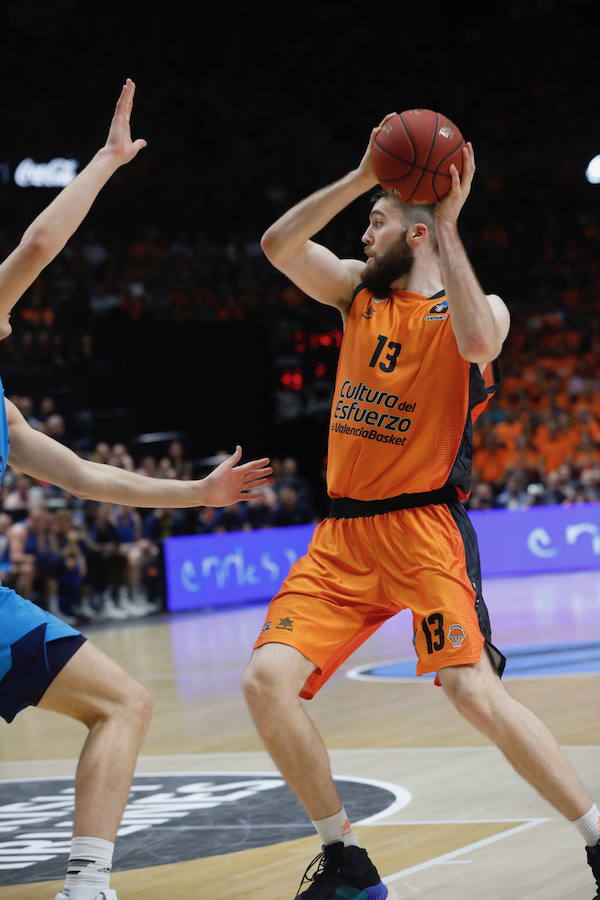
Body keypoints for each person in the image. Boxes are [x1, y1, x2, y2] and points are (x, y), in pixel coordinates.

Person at [243, 117, 600, 899]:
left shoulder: (477, 309)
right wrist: (365, 174)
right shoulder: (352, 297)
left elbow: (478, 343)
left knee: (472, 690)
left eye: (375, 221)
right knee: (265, 681)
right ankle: (345, 862)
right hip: (342, 536)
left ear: (414, 234)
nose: (362, 231)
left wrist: (446, 225)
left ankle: (598, 839)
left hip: (424, 528)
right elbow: (276, 244)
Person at [0, 80, 272, 900]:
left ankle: (89, 885)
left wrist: (199, 494)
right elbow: (39, 244)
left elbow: (85, 475)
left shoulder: (6, 419)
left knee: (123, 703)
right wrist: (107, 162)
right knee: (123, 707)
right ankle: (86, 885)